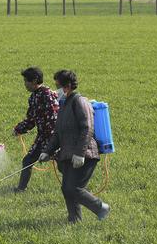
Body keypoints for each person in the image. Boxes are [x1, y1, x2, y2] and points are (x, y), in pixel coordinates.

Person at [39, 70, 110, 223]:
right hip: (68, 156)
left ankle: (101, 208)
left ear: (68, 86)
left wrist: (80, 153)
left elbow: (87, 127)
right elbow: (57, 134)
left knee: (73, 188)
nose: (55, 90)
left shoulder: (79, 101)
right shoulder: (64, 105)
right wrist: (47, 151)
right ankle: (74, 220)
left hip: (85, 155)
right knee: (67, 189)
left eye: (58, 86)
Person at [12, 67, 59, 192]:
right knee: (27, 160)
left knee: (64, 165)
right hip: (42, 137)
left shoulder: (47, 95)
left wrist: (50, 145)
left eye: (26, 81)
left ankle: (76, 189)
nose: (24, 85)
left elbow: (54, 118)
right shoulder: (33, 97)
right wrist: (19, 129)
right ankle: (21, 189)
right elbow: (31, 119)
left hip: (55, 137)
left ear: (34, 81)